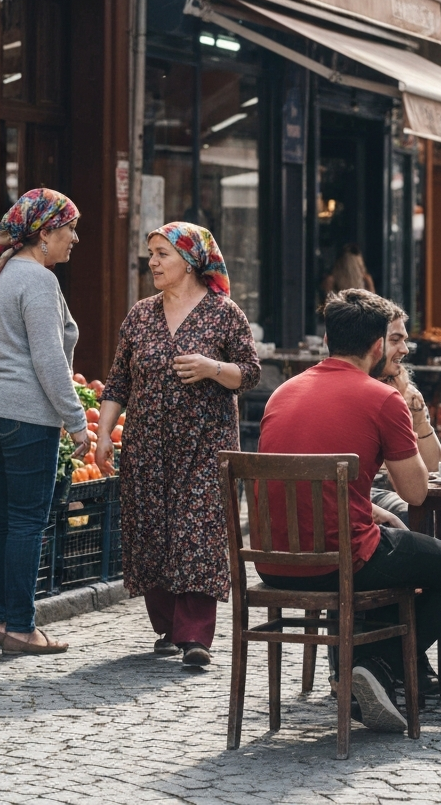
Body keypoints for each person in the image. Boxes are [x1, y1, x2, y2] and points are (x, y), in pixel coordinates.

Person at [257, 289, 441, 733]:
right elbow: (417, 493)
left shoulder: (281, 393)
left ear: (326, 340)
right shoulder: (382, 399)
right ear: (378, 346)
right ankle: (374, 664)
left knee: (394, 552)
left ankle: (368, 669)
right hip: (344, 560)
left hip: (273, 563)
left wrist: (368, 508)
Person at [95, 222, 261, 668]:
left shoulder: (224, 313)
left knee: (199, 533)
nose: (152, 261)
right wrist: (103, 437)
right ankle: (167, 626)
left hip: (206, 445)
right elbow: (118, 381)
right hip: (146, 444)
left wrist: (211, 367)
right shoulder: (140, 314)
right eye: (151, 253)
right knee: (150, 531)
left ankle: (194, 636)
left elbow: (249, 372)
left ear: (190, 262)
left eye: (162, 254)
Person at [0, 188, 89, 656]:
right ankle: (20, 627)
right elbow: (50, 361)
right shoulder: (36, 280)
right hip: (24, 414)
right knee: (26, 522)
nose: (74, 238)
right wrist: (77, 422)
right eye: (70, 228)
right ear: (45, 234)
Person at [372, 307, 441, 531]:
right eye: (395, 340)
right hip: (370, 490)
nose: (405, 350)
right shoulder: (362, 392)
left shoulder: (406, 390)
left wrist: (419, 418)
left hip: (398, 489)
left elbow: (434, 465)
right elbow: (410, 489)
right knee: (413, 510)